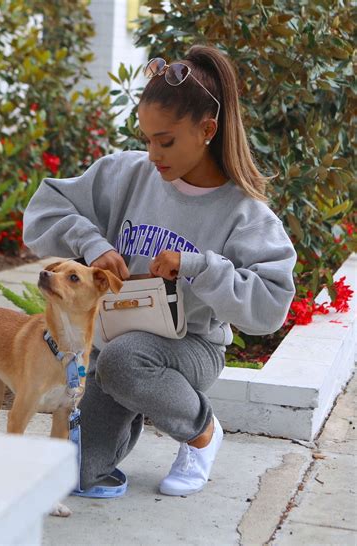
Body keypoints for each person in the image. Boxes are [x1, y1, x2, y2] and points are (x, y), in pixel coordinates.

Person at [23, 44, 297, 497]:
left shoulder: (244, 212)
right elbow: (44, 209)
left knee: (126, 360)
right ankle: (118, 416)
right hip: (114, 345)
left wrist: (197, 266)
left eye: (165, 141)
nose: (152, 153)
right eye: (146, 138)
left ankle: (202, 431)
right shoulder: (127, 173)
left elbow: (270, 308)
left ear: (207, 129)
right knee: (73, 475)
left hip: (191, 348)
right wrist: (92, 245)